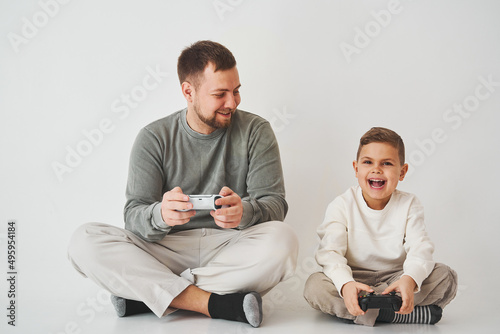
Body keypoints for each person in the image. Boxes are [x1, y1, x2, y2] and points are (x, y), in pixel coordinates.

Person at [68, 40, 298, 328]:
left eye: (236, 91)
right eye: (220, 94)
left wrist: (245, 212)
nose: (233, 102)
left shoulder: (256, 131)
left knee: (284, 241)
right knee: (84, 241)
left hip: (228, 244)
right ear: (188, 91)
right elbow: (133, 217)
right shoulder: (153, 137)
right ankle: (213, 303)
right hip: (165, 247)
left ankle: (149, 294)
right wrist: (160, 215)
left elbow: (275, 205)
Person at [303, 127, 457, 327]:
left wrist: (409, 280)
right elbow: (330, 253)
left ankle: (367, 311)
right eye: (368, 162)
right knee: (314, 287)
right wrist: (346, 284)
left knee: (445, 276)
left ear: (402, 172)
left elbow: (420, 249)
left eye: (386, 163)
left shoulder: (410, 204)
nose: (376, 169)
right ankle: (394, 314)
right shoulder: (341, 205)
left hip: (395, 278)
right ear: (356, 168)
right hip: (354, 277)